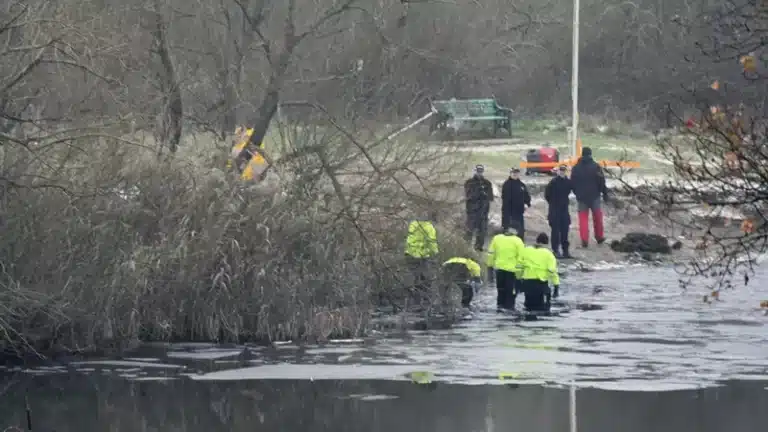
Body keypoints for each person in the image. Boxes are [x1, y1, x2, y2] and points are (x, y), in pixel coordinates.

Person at [570, 147, 608, 248]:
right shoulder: (596, 167)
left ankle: (584, 240)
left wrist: (577, 193)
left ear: (582, 155)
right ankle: (599, 237)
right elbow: (601, 181)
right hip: (594, 195)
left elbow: (572, 183)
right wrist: (604, 193)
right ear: (590, 154)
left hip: (581, 197)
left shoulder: (576, 168)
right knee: (597, 218)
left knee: (583, 219)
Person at [486, 224, 525, 312]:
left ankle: (499, 310)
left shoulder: (497, 238)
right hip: (512, 272)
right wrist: (520, 276)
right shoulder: (518, 241)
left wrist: (490, 267)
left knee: (500, 293)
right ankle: (509, 311)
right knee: (510, 295)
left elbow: (491, 253)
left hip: (499, 270)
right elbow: (522, 258)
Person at [518, 233, 560, 312]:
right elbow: (552, 271)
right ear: (546, 243)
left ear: (537, 241)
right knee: (543, 309)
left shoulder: (526, 250)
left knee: (528, 308)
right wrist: (556, 287)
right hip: (540, 284)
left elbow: (519, 267)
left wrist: (518, 280)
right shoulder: (548, 254)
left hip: (527, 284)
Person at [405, 211, 439, 298]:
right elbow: (432, 242)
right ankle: (423, 295)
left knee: (414, 273)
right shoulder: (429, 227)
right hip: (421, 254)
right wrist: (435, 252)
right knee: (425, 275)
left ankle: (413, 293)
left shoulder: (413, 224)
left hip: (409, 252)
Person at [545, 164, 574, 258]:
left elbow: (572, 190)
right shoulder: (553, 182)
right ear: (558, 171)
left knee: (565, 230)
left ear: (566, 171)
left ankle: (565, 251)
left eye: (564, 170)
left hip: (564, 209)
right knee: (555, 231)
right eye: (561, 170)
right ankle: (555, 250)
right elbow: (547, 195)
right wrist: (553, 203)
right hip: (554, 209)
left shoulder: (568, 182)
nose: (562, 172)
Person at [464, 164, 494, 251]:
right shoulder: (469, 182)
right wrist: (479, 191)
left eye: (481, 171)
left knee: (482, 232)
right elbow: (469, 195)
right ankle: (465, 248)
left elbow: (490, 197)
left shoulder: (487, 183)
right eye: (478, 171)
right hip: (472, 212)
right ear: (474, 171)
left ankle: (478, 248)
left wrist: (485, 193)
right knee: (469, 231)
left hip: (483, 211)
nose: (479, 173)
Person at [501, 167, 531, 239]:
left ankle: (520, 248)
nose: (515, 174)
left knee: (520, 233)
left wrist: (527, 204)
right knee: (510, 234)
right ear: (510, 173)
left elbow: (527, 196)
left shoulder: (521, 185)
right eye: (514, 173)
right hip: (509, 214)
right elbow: (505, 199)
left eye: (517, 173)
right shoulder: (506, 184)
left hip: (519, 213)